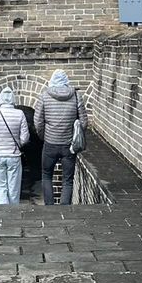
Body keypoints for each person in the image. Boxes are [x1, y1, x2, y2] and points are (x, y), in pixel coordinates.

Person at [34, 69, 87, 206]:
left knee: (46, 176)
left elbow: (38, 122)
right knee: (68, 180)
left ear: (52, 80)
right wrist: (74, 134)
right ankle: (64, 209)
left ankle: (49, 207)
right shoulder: (76, 96)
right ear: (66, 81)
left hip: (50, 144)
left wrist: (44, 136)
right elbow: (83, 122)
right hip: (69, 146)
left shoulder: (44, 96)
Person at [0, 87, 30, 205]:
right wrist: (18, 144)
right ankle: (13, 212)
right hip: (14, 156)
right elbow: (25, 138)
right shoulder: (20, 114)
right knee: (14, 188)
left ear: (0, 99)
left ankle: (1, 211)